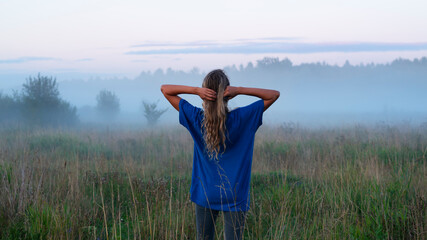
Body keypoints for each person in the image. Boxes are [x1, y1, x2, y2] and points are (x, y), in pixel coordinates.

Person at [160, 69, 280, 240]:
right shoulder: (243, 117)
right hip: (235, 194)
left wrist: (196, 91)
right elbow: (273, 95)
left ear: (205, 94)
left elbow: (165, 89)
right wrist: (239, 90)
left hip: (205, 192)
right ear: (227, 93)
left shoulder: (196, 118)